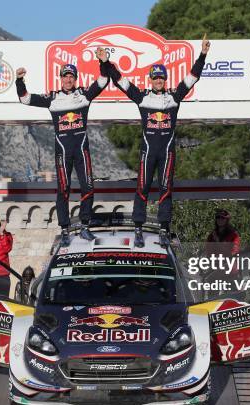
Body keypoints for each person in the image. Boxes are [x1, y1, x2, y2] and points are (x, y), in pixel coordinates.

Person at [101, 35, 210, 247]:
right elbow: (120, 81)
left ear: (165, 80)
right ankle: (138, 229)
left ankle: (163, 229)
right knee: (142, 187)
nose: (158, 81)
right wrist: (105, 62)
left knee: (166, 189)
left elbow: (192, 77)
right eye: (155, 78)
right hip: (148, 152)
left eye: (161, 78)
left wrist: (203, 55)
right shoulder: (142, 97)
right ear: (150, 80)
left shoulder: (174, 97)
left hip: (167, 153)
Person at [15, 49, 110, 246]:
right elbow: (24, 99)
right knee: (63, 190)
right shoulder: (53, 98)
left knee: (89, 187)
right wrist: (19, 81)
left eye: (71, 76)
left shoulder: (83, 95)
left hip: (82, 150)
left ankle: (85, 227)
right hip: (63, 152)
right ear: (61, 79)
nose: (68, 79)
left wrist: (103, 62)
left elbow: (102, 81)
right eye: (65, 76)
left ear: (75, 78)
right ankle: (65, 230)